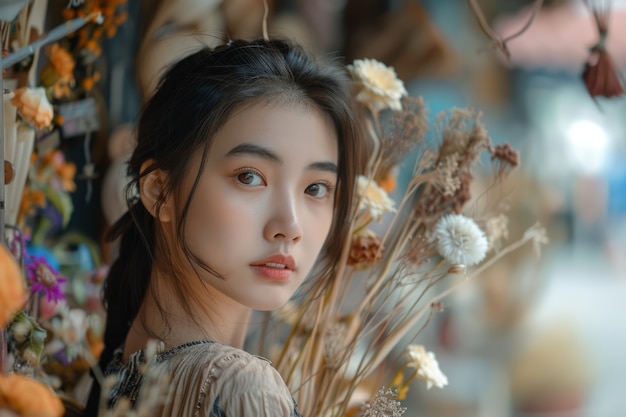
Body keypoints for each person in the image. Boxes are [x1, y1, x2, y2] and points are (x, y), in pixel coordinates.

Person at [84, 38, 364, 416]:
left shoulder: (125, 365)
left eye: (316, 188)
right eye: (249, 177)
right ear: (160, 191)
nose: (290, 226)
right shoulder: (242, 388)